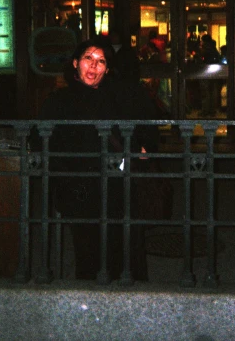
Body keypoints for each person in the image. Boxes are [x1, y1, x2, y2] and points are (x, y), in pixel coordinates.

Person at [34, 37, 159, 282]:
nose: (93, 66)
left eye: (101, 61)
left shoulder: (116, 96)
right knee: (89, 255)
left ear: (108, 69)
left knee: (124, 251)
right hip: (80, 191)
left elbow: (142, 128)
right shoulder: (59, 101)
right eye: (88, 59)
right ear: (74, 63)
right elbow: (42, 142)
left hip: (117, 188)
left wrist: (143, 148)